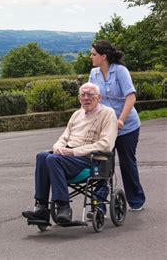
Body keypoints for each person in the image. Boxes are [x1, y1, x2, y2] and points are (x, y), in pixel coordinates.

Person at [22, 83, 117, 224]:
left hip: (91, 159)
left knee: (53, 160)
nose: (86, 98)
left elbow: (106, 144)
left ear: (99, 98)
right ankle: (41, 208)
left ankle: (64, 207)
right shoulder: (77, 114)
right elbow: (64, 137)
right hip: (69, 158)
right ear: (79, 98)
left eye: (90, 94)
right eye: (83, 95)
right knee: (42, 156)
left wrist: (73, 152)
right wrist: (58, 147)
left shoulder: (107, 113)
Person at [89, 40, 146, 211]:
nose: (90, 57)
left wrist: (120, 119)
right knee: (101, 163)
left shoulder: (120, 71)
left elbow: (131, 97)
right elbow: (92, 98)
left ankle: (136, 200)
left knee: (127, 163)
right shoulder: (94, 73)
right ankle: (99, 205)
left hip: (127, 126)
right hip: (105, 127)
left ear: (103, 56)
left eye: (93, 54)